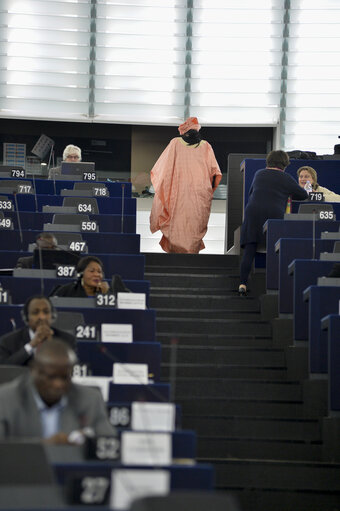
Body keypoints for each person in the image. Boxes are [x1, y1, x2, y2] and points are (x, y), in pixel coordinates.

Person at [0, 339, 116, 442]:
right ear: (34, 371)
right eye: (51, 377)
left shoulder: (90, 400)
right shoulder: (7, 399)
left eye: (64, 377)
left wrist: (86, 442)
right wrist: (47, 446)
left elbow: (108, 444)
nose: (58, 384)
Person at [239, 150, 308, 296]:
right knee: (275, 250)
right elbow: (303, 195)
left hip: (253, 212)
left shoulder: (259, 174)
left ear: (268, 161)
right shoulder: (285, 177)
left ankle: (243, 284)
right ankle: (274, 288)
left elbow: (252, 192)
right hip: (274, 214)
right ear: (284, 164)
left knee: (250, 249)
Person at [149, 117, 222, 253]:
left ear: (183, 132)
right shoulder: (206, 146)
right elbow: (215, 173)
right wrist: (207, 190)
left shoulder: (175, 143)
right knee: (194, 226)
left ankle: (175, 258)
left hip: (177, 196)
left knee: (176, 225)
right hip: (199, 197)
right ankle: (192, 256)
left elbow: (162, 171)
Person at [0, 295, 75, 365]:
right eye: (35, 312)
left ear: (52, 316)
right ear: (26, 317)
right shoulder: (8, 342)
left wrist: (51, 345)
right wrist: (31, 345)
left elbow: (69, 369)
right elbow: (5, 369)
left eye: (46, 312)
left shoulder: (67, 340)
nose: (42, 317)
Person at [49, 255, 129, 297]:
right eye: (92, 271)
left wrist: (106, 294)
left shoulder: (110, 293)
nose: (97, 275)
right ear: (81, 273)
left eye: (99, 272)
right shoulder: (66, 291)